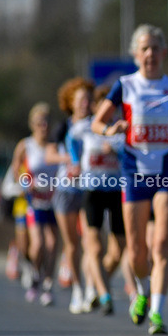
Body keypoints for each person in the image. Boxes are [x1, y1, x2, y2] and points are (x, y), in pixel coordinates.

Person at [92, 24, 168, 335]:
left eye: (155, 48)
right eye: (144, 48)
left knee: (162, 243)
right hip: (133, 170)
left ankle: (157, 313)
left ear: (163, 52)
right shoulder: (124, 86)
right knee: (136, 250)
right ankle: (141, 291)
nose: (150, 53)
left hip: (167, 169)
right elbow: (98, 122)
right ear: (136, 54)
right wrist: (110, 130)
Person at [68, 84, 127, 315]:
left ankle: (95, 283)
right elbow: (70, 141)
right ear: (95, 107)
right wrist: (74, 162)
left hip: (115, 192)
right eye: (101, 104)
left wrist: (114, 152)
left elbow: (130, 153)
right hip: (91, 191)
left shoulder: (120, 129)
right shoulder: (85, 127)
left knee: (118, 250)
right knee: (94, 246)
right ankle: (104, 295)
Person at [49, 77, 95, 313]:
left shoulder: (97, 123)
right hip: (66, 189)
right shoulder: (63, 127)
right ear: (71, 102)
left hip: (89, 188)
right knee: (72, 244)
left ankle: (91, 289)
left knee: (91, 241)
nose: (85, 104)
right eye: (80, 100)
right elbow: (49, 155)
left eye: (88, 99)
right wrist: (68, 160)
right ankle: (77, 288)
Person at [9, 103, 59, 305]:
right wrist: (26, 184)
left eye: (46, 122)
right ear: (32, 124)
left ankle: (47, 283)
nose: (43, 126)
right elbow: (15, 170)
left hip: (53, 200)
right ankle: (35, 275)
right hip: (33, 201)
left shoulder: (54, 146)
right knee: (37, 244)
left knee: (53, 244)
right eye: (39, 122)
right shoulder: (25, 145)